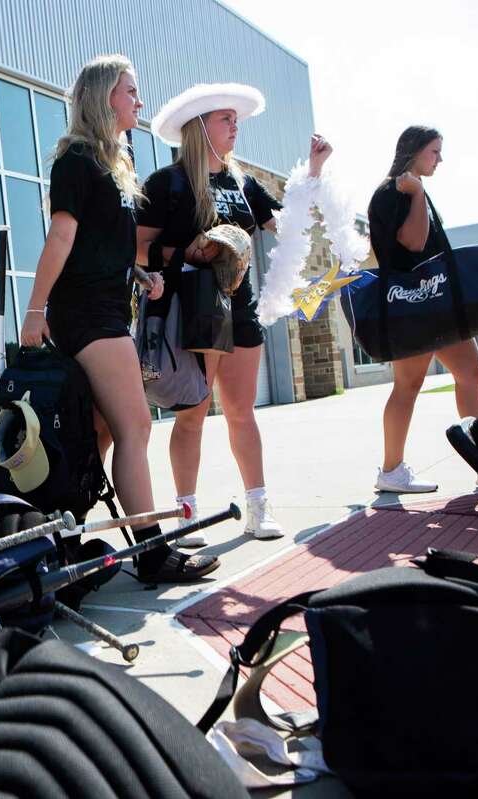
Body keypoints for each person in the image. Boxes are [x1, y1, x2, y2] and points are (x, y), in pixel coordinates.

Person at [19, 55, 219, 583]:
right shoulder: (76, 162)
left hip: (106, 306)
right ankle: (152, 553)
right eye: (131, 91)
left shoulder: (112, 165)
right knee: (135, 427)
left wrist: (137, 273)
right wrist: (34, 310)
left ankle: (59, 536)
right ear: (105, 96)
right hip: (84, 313)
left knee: (102, 432)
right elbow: (61, 239)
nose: (139, 101)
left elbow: (97, 244)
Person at [137, 83, 332, 543]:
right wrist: (183, 253)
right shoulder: (167, 182)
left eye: (235, 119)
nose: (235, 126)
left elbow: (286, 225)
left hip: (238, 308)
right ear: (199, 127)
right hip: (188, 310)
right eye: (225, 119)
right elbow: (138, 246)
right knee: (192, 413)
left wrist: (314, 172)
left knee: (242, 411)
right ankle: (186, 514)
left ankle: (258, 506)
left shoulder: (242, 182)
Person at [367, 126, 478, 493]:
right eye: (435, 151)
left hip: (435, 302)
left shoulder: (411, 189)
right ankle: (390, 471)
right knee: (408, 384)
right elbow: (415, 243)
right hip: (412, 305)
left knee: (470, 372)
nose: (440, 159)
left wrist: (419, 194)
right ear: (415, 151)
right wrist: (418, 194)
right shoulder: (394, 192)